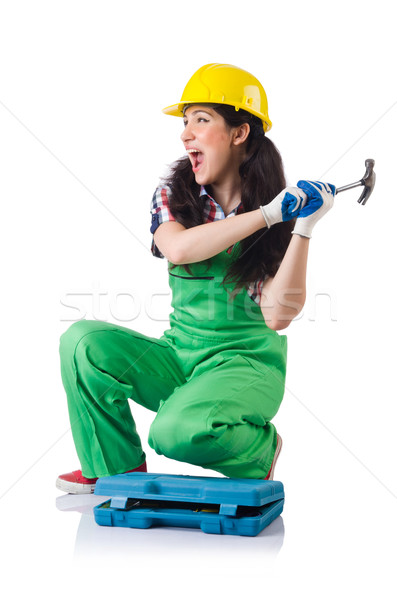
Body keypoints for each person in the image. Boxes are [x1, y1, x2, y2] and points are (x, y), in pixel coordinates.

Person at [56, 63, 335, 494]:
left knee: (173, 433)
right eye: (185, 122)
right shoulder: (173, 194)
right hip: (180, 356)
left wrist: (303, 227)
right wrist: (265, 216)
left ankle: (259, 450)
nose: (185, 134)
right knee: (83, 343)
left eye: (201, 120)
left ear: (239, 133)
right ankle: (116, 469)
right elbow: (179, 248)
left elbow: (278, 315)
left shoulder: (281, 211)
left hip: (245, 366)